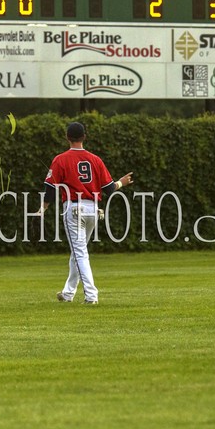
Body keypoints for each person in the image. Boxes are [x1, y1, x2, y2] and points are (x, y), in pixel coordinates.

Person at [37, 121, 133, 304]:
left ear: (67, 137)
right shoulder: (95, 159)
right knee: (77, 251)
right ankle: (68, 293)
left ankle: (91, 295)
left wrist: (43, 208)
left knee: (79, 252)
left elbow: (49, 188)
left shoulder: (61, 159)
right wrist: (122, 182)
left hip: (74, 209)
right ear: (84, 137)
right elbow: (109, 189)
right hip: (93, 210)